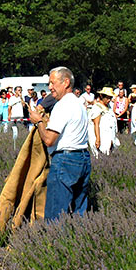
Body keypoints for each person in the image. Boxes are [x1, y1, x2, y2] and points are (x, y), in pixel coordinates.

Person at [28, 67, 90, 220]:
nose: (50, 87)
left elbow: (49, 140)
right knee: (79, 213)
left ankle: (53, 242)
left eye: (52, 83)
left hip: (65, 161)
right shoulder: (79, 104)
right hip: (83, 158)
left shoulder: (62, 106)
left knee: (56, 215)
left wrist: (39, 121)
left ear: (66, 82)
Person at [88, 87, 118, 157]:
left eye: (110, 98)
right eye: (107, 98)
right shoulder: (97, 108)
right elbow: (96, 124)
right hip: (102, 136)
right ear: (101, 96)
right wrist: (98, 139)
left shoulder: (109, 108)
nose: (109, 100)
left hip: (109, 136)